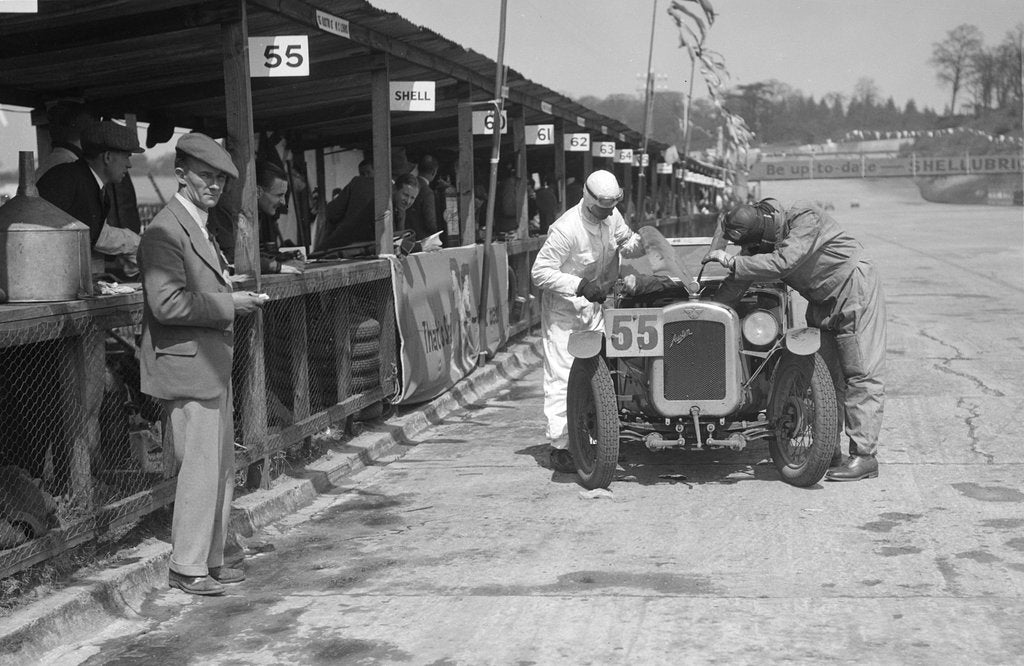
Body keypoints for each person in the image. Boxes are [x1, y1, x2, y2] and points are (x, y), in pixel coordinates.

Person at [138, 132, 265, 596]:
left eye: (220, 179)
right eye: (205, 176)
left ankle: (209, 558)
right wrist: (229, 303)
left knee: (219, 466)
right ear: (181, 174)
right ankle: (186, 564)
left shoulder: (197, 224)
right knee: (198, 468)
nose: (214, 186)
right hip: (189, 366)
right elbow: (167, 304)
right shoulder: (164, 231)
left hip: (210, 364)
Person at [702, 198, 886, 482]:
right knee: (824, 377)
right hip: (821, 299)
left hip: (853, 289)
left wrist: (731, 260)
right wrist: (708, 312)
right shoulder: (762, 243)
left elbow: (784, 262)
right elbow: (738, 282)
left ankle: (864, 457)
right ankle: (829, 450)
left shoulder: (805, 218)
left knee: (860, 373)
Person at [531, 170, 645, 473]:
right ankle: (562, 447)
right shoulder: (566, 229)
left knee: (598, 375)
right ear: (588, 199)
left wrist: (644, 244)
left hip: (594, 309)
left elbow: (626, 240)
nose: (607, 214)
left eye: (611, 208)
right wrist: (579, 286)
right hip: (564, 314)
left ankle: (598, 439)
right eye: (602, 209)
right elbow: (539, 272)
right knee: (563, 377)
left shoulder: (611, 215)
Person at [37, 120, 144, 276]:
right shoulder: (69, 179)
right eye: (126, 157)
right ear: (107, 157)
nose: (129, 165)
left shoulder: (89, 183)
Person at [212, 160, 301, 274]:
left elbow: (252, 253)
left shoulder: (257, 211)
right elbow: (235, 258)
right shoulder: (228, 208)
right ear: (258, 192)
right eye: (279, 195)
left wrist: (281, 257)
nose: (283, 202)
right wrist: (277, 266)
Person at [319, 158, 375, 249]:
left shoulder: (358, 182)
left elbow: (333, 212)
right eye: (362, 174)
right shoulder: (390, 188)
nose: (365, 177)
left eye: (368, 173)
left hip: (351, 239)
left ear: (377, 171)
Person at [403, 154, 438, 241]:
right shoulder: (427, 192)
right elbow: (430, 222)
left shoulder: (409, 185)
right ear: (434, 172)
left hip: (407, 236)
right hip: (423, 240)